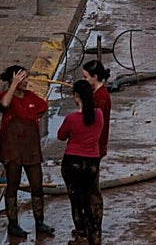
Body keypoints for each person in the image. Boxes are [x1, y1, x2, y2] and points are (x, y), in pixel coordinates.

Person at [0, 65, 54, 239]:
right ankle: (13, 223)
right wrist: (13, 86)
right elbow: (4, 104)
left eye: (26, 78)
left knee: (37, 185)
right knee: (12, 185)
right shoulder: (6, 96)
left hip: (31, 149)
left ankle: (40, 221)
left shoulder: (30, 96)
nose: (26, 81)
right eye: (21, 78)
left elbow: (43, 107)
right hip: (12, 149)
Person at [59, 79, 105, 245]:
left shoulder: (71, 119)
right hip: (92, 162)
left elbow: (61, 135)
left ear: (76, 96)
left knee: (77, 200)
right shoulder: (98, 114)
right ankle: (95, 233)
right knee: (92, 197)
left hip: (72, 162)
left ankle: (82, 236)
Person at [82, 60, 113, 161]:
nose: (84, 80)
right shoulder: (95, 92)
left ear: (95, 77)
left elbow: (95, 121)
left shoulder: (101, 97)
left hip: (96, 142)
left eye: (85, 77)